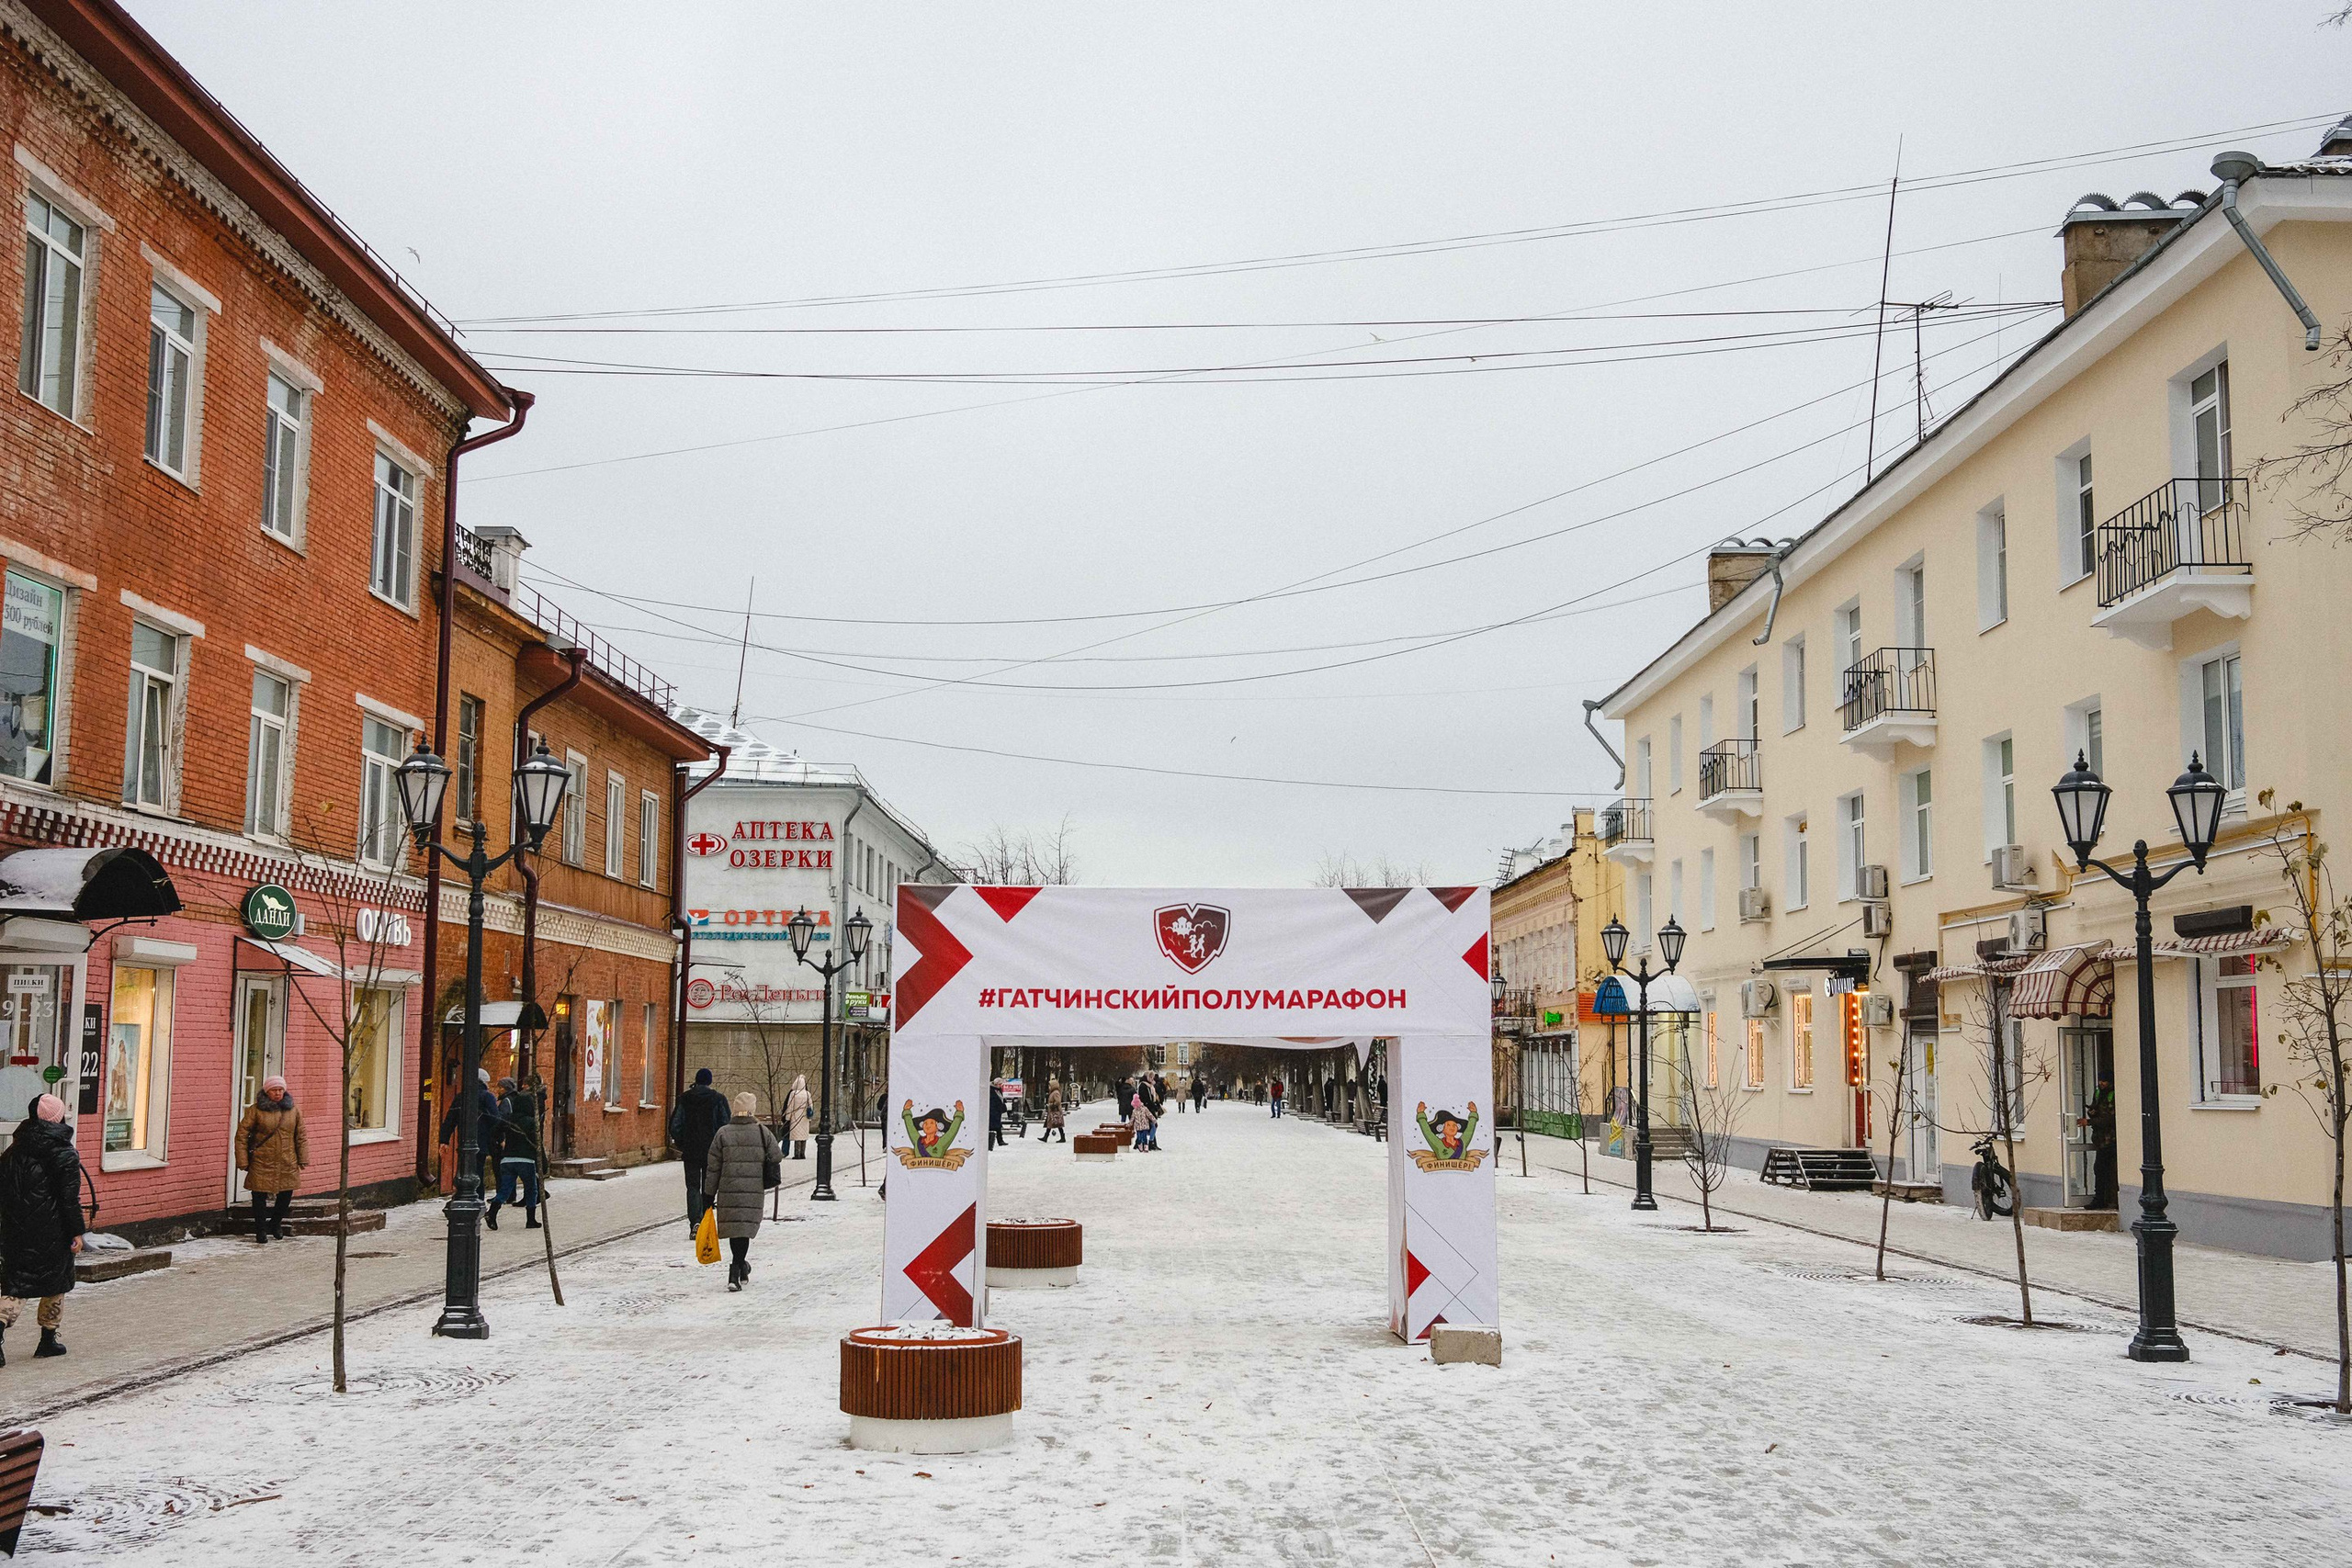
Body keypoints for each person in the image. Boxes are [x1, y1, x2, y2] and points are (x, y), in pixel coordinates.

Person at [0, 1094, 83, 1362]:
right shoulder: (64, 1153)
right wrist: (76, 1232)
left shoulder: (13, 1150)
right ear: (58, 1118)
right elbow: (69, 1199)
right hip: (53, 1229)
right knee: (56, 1282)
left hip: (15, 1227)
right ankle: (48, 1340)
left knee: (17, 1283)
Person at [702, 1090, 782, 1291]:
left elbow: (713, 1167)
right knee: (744, 1230)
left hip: (728, 1190)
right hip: (752, 1191)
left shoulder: (723, 1133)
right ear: (752, 1109)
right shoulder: (762, 1132)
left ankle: (740, 1268)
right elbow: (777, 1155)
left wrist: (708, 1195)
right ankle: (736, 1269)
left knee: (735, 1230)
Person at [235, 1075, 309, 1243]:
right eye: (274, 1090)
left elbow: (301, 1136)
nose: (278, 1093)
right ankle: (260, 1229)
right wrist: (243, 1160)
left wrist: (302, 1158)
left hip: (287, 1159)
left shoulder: (293, 1110)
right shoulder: (255, 1110)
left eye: (280, 1090)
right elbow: (241, 1135)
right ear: (267, 1091)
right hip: (262, 1160)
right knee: (259, 1195)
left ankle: (275, 1223)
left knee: (286, 1194)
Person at [669, 1066, 733, 1232]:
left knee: (692, 1186)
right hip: (712, 1151)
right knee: (709, 1185)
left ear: (696, 1081)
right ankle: (706, 1219)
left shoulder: (685, 1099)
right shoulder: (718, 1099)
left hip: (690, 1150)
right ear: (710, 1081)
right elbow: (725, 1125)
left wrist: (682, 1143)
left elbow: (675, 1125)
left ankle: (695, 1223)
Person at [488, 1077, 542, 1231]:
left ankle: (492, 1212)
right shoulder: (532, 1122)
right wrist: (542, 1163)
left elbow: (495, 1131)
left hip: (507, 1159)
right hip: (526, 1160)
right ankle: (530, 1219)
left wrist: (501, 1141)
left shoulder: (509, 1119)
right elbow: (538, 1144)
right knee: (531, 1189)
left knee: (505, 1189)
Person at [436, 1067, 502, 1194]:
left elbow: (450, 1119)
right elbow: (495, 1119)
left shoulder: (461, 1097)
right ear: (484, 1082)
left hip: (464, 1142)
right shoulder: (488, 1097)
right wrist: (499, 1138)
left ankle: (462, 1195)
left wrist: (444, 1140)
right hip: (482, 1141)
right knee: (478, 1173)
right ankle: (477, 1198)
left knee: (463, 1170)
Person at [785, 1074, 813, 1159]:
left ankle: (797, 1154)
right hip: (804, 1118)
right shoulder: (807, 1094)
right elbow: (811, 1106)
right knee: (803, 1136)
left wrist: (788, 1117)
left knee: (797, 1136)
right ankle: (802, 1153)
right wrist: (810, 1117)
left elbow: (790, 1106)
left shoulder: (793, 1094)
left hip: (795, 1117)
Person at [1129, 1089, 1158, 1153]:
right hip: (1138, 1127)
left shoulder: (1144, 1109)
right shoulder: (1134, 1111)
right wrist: (1129, 1124)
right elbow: (1132, 1118)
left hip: (1145, 1126)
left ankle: (1146, 1147)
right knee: (1139, 1138)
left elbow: (1150, 1115)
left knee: (1144, 1137)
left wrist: (1154, 1120)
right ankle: (1140, 1146)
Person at [1042, 1077, 1067, 1143]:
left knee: (1058, 1124)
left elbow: (1058, 1102)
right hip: (1053, 1111)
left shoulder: (1055, 1093)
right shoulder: (1053, 1092)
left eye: (1050, 1086)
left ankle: (1062, 1137)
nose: (1049, 1087)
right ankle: (1046, 1137)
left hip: (1055, 1111)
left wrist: (1051, 1105)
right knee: (1051, 1125)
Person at [988, 1077, 1007, 1149]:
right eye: (1000, 1084)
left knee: (997, 1126)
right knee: (994, 1126)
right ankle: (996, 1140)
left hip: (997, 1111)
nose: (1001, 1085)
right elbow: (992, 1100)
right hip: (993, 1111)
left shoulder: (998, 1090)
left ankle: (1000, 1140)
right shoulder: (991, 1090)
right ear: (996, 1084)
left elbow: (1000, 1099)